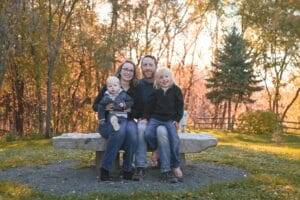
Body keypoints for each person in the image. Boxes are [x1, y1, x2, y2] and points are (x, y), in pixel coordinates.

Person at [133, 55, 177, 182]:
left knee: (162, 131)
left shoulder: (164, 83)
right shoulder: (138, 85)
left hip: (164, 120)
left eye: (150, 65)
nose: (147, 68)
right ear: (141, 67)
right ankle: (140, 167)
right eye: (144, 65)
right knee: (141, 128)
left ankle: (166, 170)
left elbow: (175, 104)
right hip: (146, 120)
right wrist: (140, 117)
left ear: (155, 66)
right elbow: (136, 106)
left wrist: (176, 120)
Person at [92, 60, 139, 181]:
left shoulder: (135, 89)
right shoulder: (109, 85)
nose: (128, 72)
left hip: (128, 120)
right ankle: (105, 169)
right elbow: (95, 106)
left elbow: (139, 110)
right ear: (120, 70)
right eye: (125, 69)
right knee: (120, 130)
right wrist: (106, 108)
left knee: (132, 132)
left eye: (131, 70)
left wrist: (127, 110)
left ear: (134, 73)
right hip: (109, 121)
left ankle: (127, 169)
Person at [144, 67, 184, 183]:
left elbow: (180, 106)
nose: (164, 79)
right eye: (161, 77)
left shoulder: (176, 90)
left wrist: (177, 119)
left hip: (169, 120)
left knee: (175, 140)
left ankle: (175, 165)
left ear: (171, 78)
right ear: (157, 80)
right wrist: (146, 118)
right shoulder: (155, 91)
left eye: (166, 76)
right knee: (147, 134)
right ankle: (158, 149)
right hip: (156, 118)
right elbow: (149, 106)